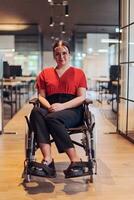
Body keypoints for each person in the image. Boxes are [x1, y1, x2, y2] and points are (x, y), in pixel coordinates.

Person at [30, 40, 87, 178]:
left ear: (69, 54)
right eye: (57, 54)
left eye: (64, 53)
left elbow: (81, 97)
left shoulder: (78, 73)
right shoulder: (45, 73)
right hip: (51, 107)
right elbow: (41, 96)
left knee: (51, 118)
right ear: (54, 56)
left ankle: (75, 160)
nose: (61, 57)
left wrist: (62, 106)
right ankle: (48, 160)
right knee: (36, 112)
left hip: (72, 109)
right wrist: (49, 106)